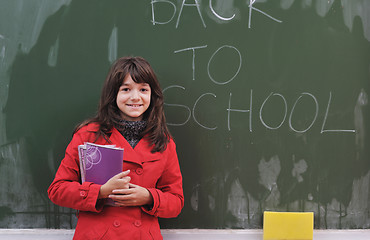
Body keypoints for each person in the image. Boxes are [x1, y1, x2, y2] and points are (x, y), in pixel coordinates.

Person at [48, 56, 184, 240]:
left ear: (152, 95)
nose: (135, 97)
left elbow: (176, 201)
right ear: (114, 94)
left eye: (143, 89)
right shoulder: (88, 135)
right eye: (126, 89)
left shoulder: (163, 142)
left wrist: (149, 197)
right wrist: (101, 192)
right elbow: (57, 190)